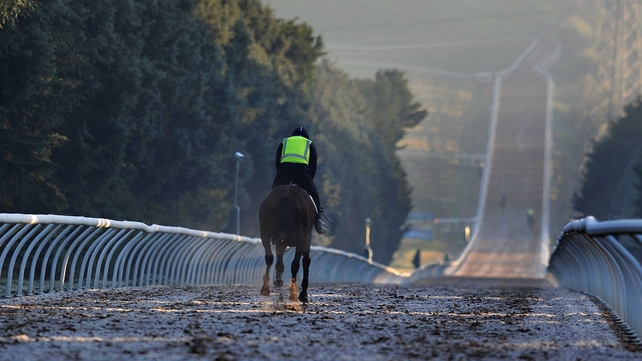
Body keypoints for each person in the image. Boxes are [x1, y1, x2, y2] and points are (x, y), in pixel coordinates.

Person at [272, 126, 328, 235]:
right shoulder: (309, 144)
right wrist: (308, 181)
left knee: (273, 195)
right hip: (301, 172)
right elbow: (313, 167)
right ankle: (318, 223)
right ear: (306, 137)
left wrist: (281, 176)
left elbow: (277, 162)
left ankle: (269, 219)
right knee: (314, 195)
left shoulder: (285, 142)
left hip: (284, 171)